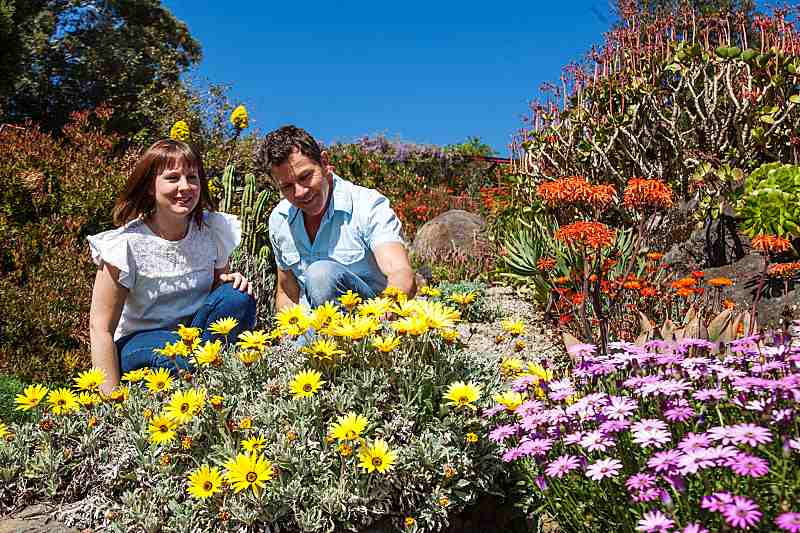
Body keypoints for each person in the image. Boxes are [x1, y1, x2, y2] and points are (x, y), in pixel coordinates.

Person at [87, 139, 256, 395]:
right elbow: (100, 329)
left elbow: (218, 289)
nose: (185, 187)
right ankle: (204, 384)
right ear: (149, 187)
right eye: (172, 178)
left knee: (237, 297)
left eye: (192, 177)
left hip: (194, 336)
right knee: (174, 358)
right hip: (140, 343)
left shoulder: (211, 231)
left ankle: (212, 385)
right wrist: (111, 402)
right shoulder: (124, 246)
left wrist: (231, 281)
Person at [255, 125, 416, 311]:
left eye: (305, 176)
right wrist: (285, 337)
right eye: (287, 186)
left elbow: (400, 272)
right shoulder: (279, 219)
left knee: (320, 274)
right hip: (314, 326)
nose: (299, 193)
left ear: (324, 163)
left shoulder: (367, 204)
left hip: (370, 322)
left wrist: (389, 309)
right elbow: (287, 291)